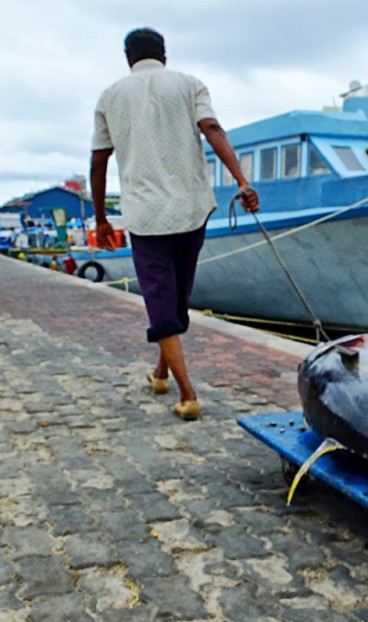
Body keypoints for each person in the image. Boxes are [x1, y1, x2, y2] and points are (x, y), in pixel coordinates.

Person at [90, 27, 259, 421]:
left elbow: (99, 161)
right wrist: (242, 181)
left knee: (162, 300)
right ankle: (162, 372)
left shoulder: (110, 96)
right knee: (177, 294)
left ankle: (187, 392)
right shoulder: (189, 85)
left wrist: (100, 218)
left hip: (145, 215)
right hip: (191, 208)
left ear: (128, 57)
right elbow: (212, 129)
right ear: (163, 55)